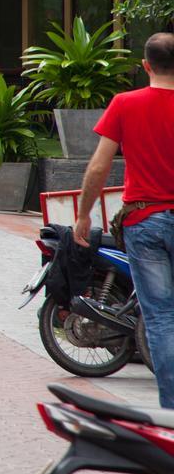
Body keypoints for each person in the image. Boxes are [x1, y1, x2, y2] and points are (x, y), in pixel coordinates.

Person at [73, 33, 174, 408]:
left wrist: (83, 214)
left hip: (144, 220)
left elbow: (99, 167)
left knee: (161, 316)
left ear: (145, 65)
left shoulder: (125, 104)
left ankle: (171, 407)